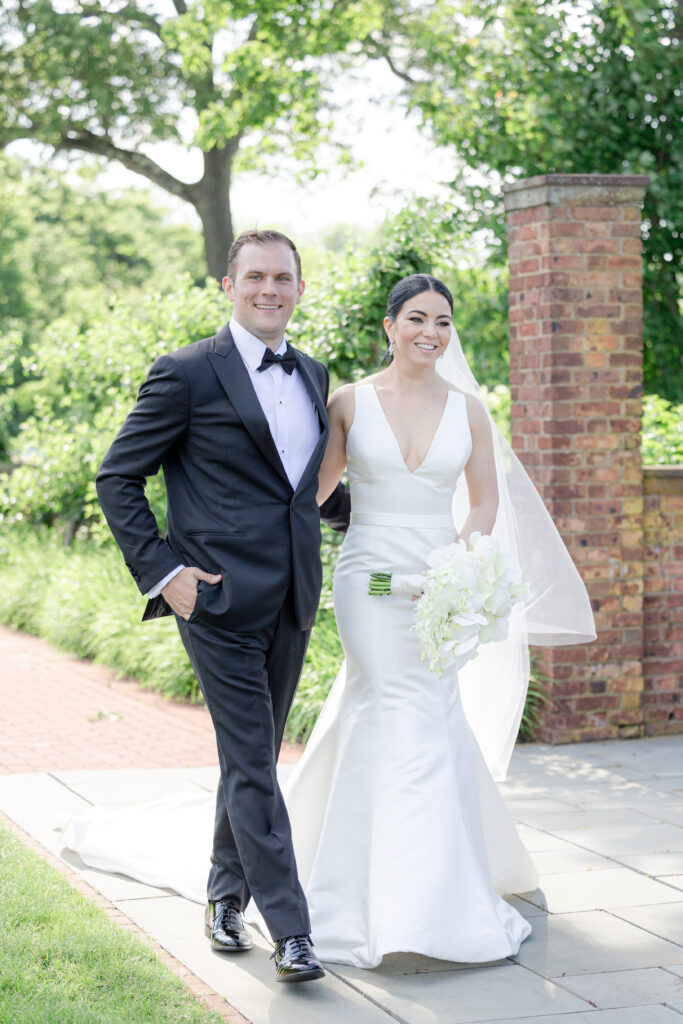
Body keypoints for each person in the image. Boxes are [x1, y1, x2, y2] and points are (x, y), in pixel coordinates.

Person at [66, 271, 595, 970]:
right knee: (387, 706)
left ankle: (427, 895)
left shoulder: (468, 410)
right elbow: (308, 493)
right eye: (415, 318)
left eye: (441, 321)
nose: (429, 332)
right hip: (368, 583)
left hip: (439, 588)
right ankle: (313, 915)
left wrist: (458, 573)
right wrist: (206, 557)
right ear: (389, 325)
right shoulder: (345, 400)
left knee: (427, 718)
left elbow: (484, 507)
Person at [95, 228, 350, 984]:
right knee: (251, 758)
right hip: (214, 599)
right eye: (255, 277)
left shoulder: (312, 371)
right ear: (229, 286)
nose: (270, 289)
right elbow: (117, 478)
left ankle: (221, 894)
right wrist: (163, 570)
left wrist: (400, 520)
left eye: (284, 278)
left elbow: (305, 489)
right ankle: (293, 932)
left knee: (254, 760)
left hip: (294, 596)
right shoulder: (184, 373)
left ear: (300, 289)